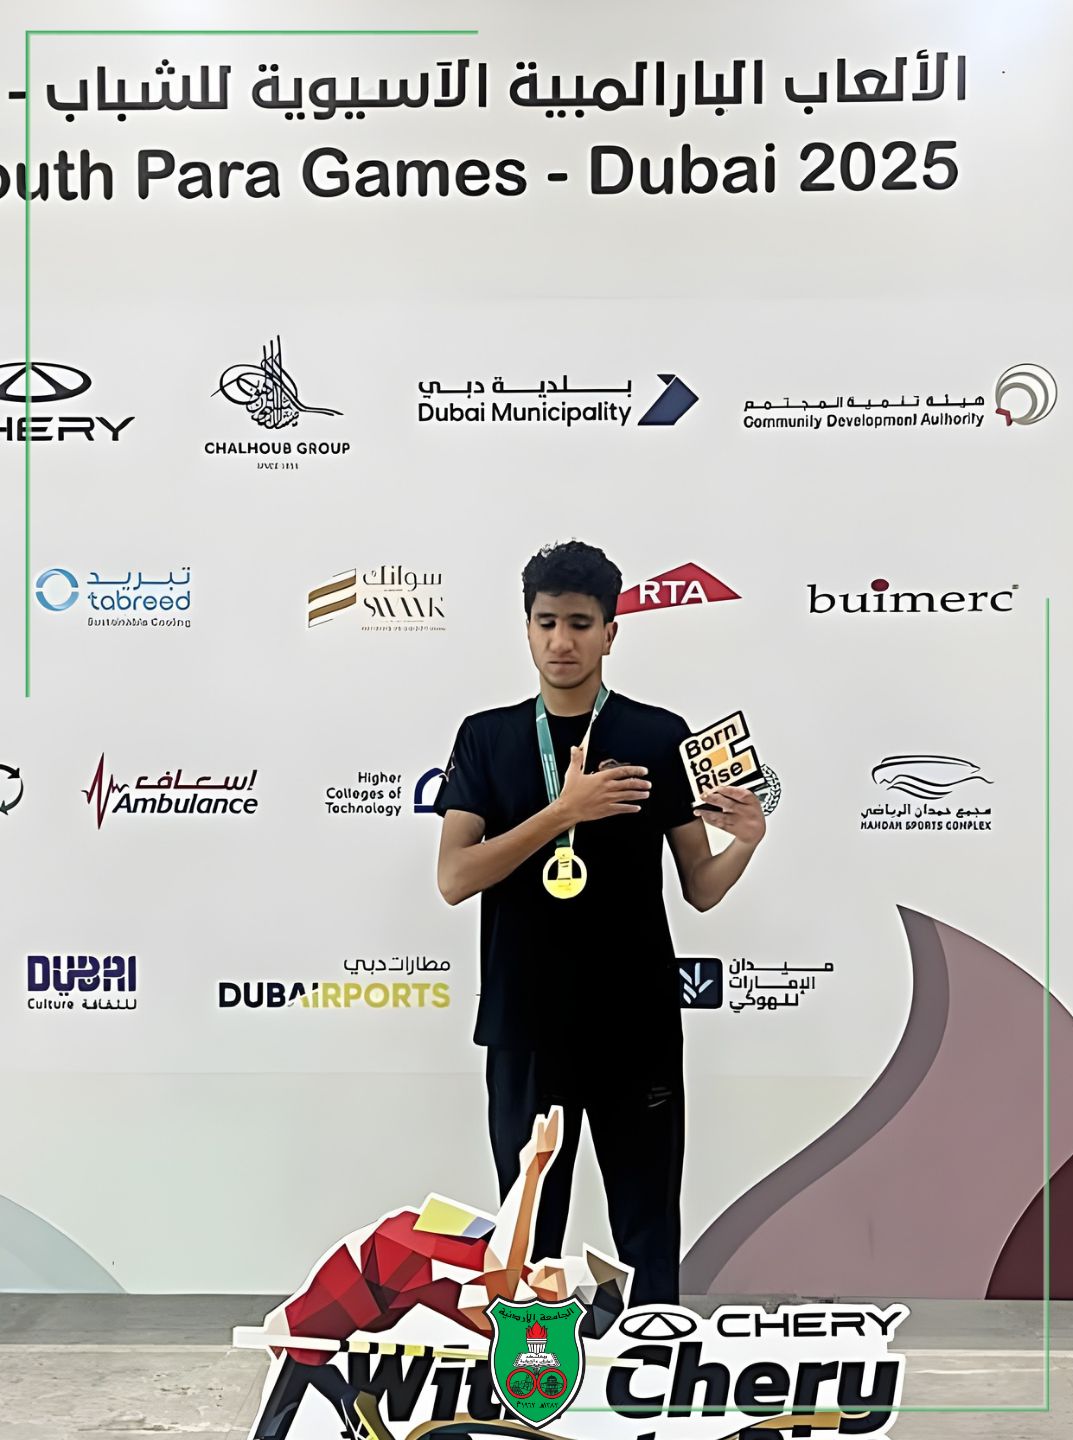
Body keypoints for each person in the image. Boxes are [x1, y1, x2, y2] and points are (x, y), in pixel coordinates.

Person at [434, 540, 766, 1306]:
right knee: (529, 1232)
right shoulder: (487, 737)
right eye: (547, 622)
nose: (562, 641)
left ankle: (654, 1356)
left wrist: (745, 843)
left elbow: (701, 888)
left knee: (647, 1225)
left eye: (580, 623)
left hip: (635, 1024)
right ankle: (532, 1367)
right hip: (526, 1023)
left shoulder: (657, 735)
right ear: (526, 628)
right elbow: (454, 877)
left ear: (611, 632)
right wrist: (563, 812)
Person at [251, 1109, 629, 1440]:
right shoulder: (512, 1295)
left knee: (292, 1337)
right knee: (292, 1339)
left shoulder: (508, 1306)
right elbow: (495, 1255)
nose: (559, 1264)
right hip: (389, 1265)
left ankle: (347, 1403)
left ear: (562, 1304)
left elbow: (501, 1264)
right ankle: (347, 1404)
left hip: (379, 1270)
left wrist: (533, 1169)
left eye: (565, 1276)